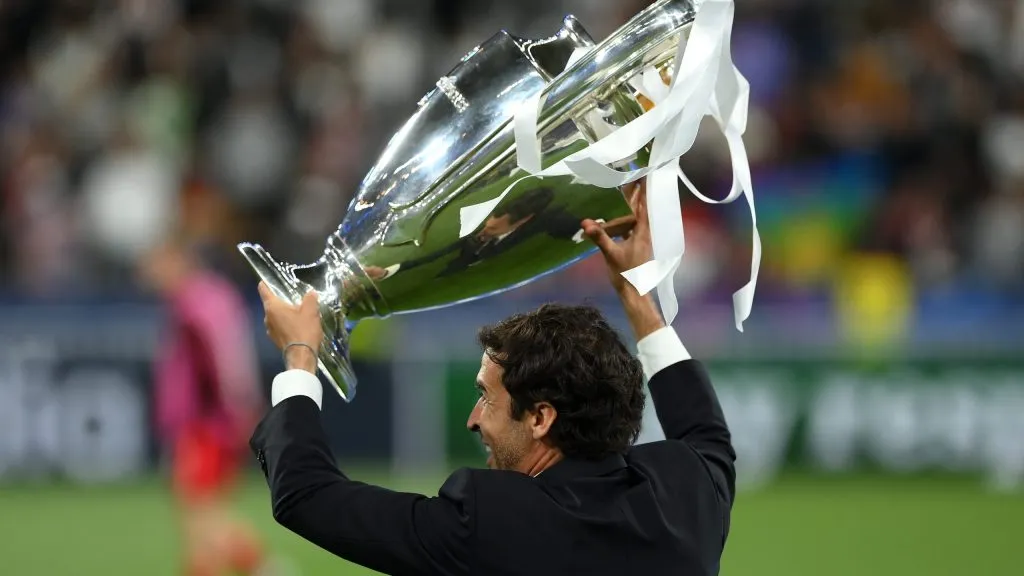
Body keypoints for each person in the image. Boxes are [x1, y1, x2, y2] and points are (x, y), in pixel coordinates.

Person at [251, 184, 736, 575]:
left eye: (487, 396)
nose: (473, 419)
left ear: (542, 417)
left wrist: (299, 354)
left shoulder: (494, 523)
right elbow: (706, 434)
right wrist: (640, 300)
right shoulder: (687, 495)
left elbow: (308, 496)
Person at [140, 234, 278, 576]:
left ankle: (266, 569)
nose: (149, 273)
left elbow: (224, 362)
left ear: (177, 261)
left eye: (156, 264)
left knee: (201, 516)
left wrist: (236, 407)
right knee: (202, 517)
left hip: (207, 423)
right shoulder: (207, 299)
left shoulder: (197, 303)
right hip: (211, 420)